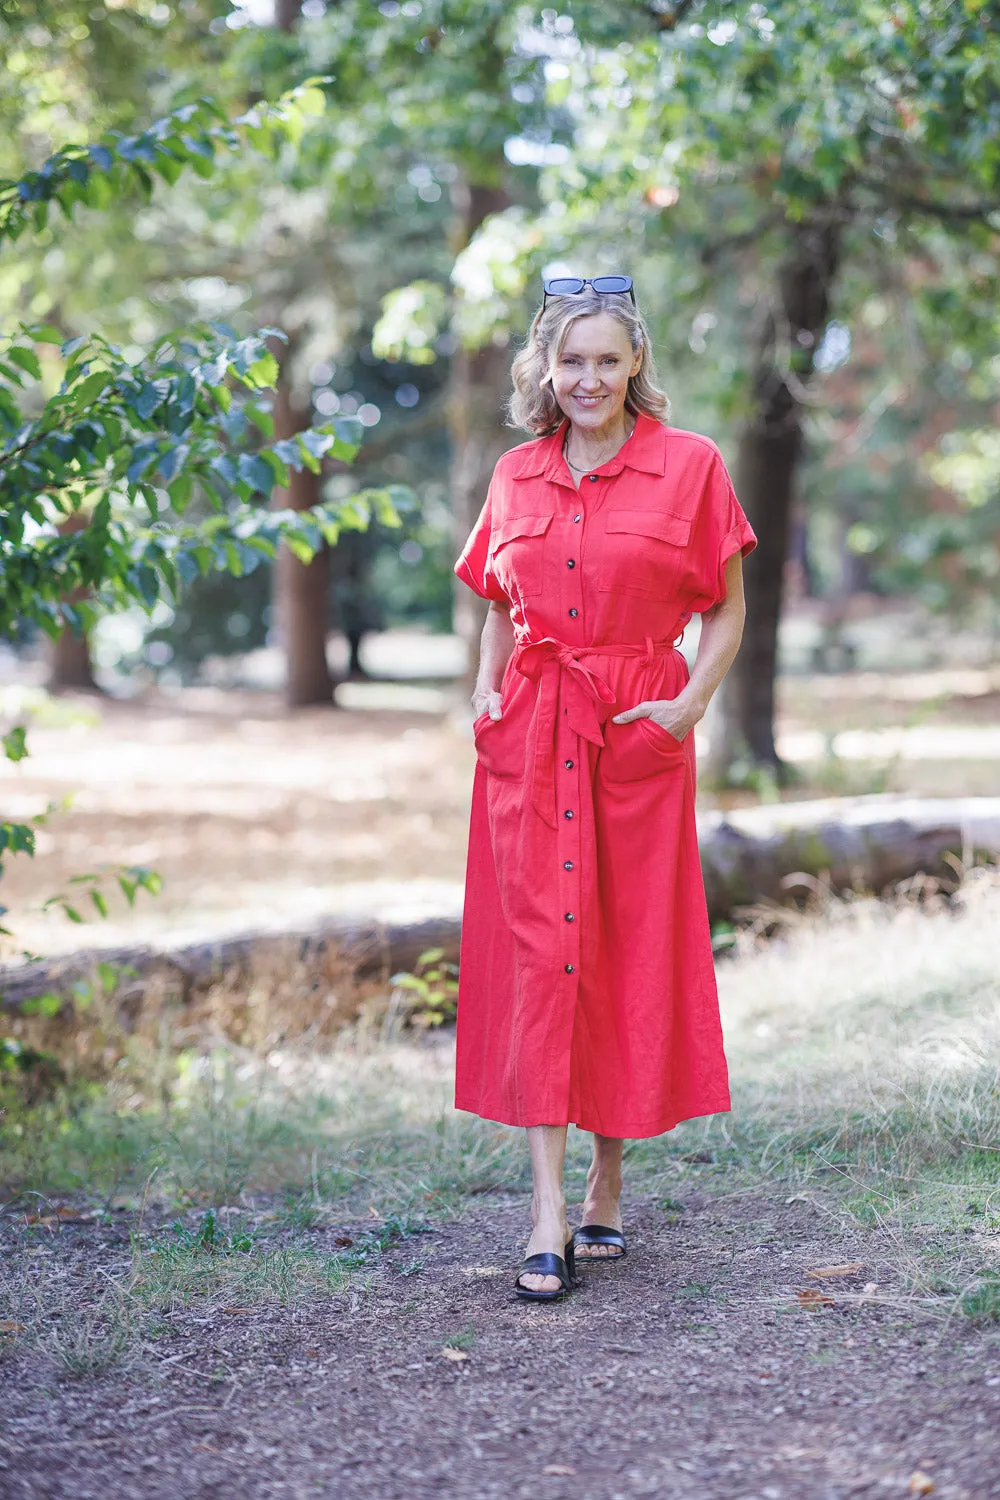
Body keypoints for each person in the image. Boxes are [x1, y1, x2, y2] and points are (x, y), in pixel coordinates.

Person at [453, 275, 757, 1301]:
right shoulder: (514, 475)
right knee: (542, 951)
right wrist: (484, 694)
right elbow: (499, 602)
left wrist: (688, 708)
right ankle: (543, 1212)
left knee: (623, 946)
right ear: (545, 368)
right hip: (534, 736)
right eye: (568, 360)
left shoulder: (691, 467)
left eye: (605, 359)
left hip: (636, 727)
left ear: (635, 367)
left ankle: (606, 1184)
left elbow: (725, 609)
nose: (586, 378)